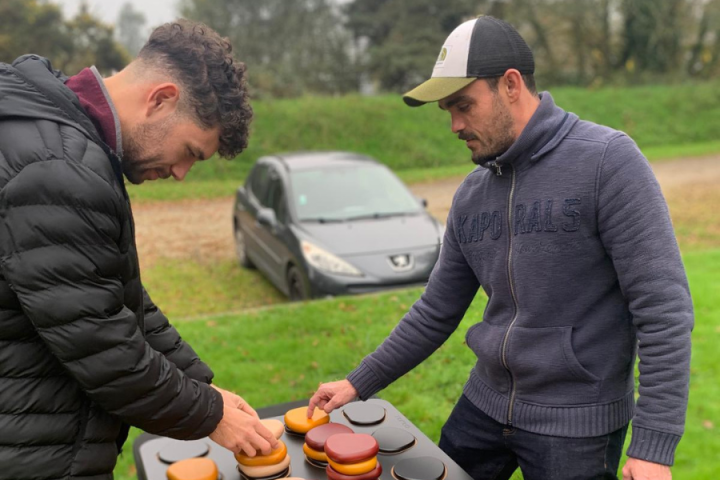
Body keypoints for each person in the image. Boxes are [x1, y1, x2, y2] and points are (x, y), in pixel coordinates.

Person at [308, 16, 693, 480]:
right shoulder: (472, 194)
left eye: (463, 105)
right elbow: (436, 310)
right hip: (484, 406)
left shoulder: (607, 162)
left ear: (510, 84)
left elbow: (664, 309)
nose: (454, 124)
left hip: (576, 424)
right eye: (447, 110)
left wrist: (653, 447)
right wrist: (357, 383)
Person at [0, 20, 277, 480]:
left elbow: (115, 296)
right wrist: (210, 415)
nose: (183, 172)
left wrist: (204, 385)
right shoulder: (59, 167)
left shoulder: (63, 137)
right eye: (190, 151)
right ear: (161, 98)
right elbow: (102, 345)